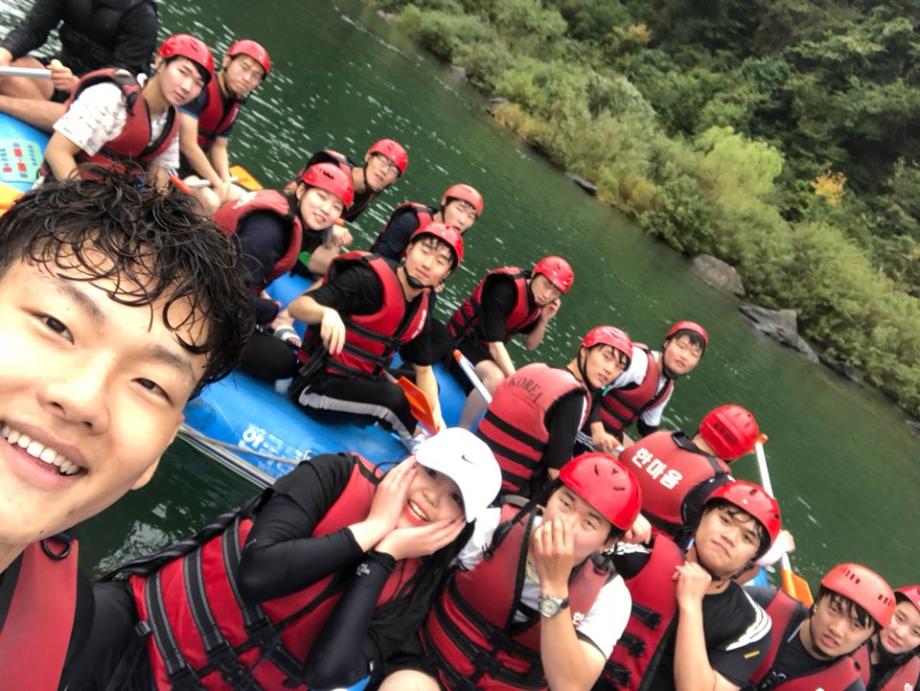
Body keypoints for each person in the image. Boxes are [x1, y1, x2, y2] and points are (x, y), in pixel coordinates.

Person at [0, 172, 251, 689]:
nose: (84, 400)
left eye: (150, 384)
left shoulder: (67, 629)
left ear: (158, 453)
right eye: (55, 324)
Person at [66, 427, 503, 690]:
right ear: (411, 463)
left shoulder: (417, 589)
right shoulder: (334, 474)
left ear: (462, 522)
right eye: (431, 474)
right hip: (142, 628)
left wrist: (383, 556)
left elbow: (325, 673)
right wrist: (371, 530)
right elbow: (258, 574)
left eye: (454, 498)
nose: (431, 496)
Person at [378, 451, 643, 691]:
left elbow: (570, 686)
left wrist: (554, 587)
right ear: (550, 497)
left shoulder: (610, 598)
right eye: (565, 503)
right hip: (430, 667)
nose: (565, 524)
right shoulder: (493, 527)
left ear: (608, 542)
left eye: (589, 522)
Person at [287, 223, 464, 441]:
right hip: (313, 389)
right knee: (394, 398)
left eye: (439, 262)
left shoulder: (421, 306)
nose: (427, 264)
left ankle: (424, 435)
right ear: (409, 249)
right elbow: (297, 307)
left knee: (427, 387)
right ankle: (419, 444)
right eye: (424, 251)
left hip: (362, 380)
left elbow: (424, 371)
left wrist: (437, 421)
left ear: (445, 275)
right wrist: (326, 313)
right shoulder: (366, 279)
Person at [601, 479, 781, 691]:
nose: (730, 537)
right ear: (703, 517)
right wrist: (612, 527)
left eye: (747, 538)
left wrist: (692, 606)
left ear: (752, 559)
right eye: (725, 520)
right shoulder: (639, 554)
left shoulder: (750, 625)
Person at [212, 160, 354, 381]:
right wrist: (268, 312)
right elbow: (225, 293)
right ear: (301, 191)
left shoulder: (285, 214)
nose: (326, 210)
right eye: (321, 197)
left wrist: (259, 298)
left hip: (212, 285)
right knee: (283, 360)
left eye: (336, 207)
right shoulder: (271, 229)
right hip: (203, 301)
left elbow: (238, 271)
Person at [476, 325, 633, 497]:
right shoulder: (574, 397)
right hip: (501, 491)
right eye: (606, 357)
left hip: (474, 461)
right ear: (584, 351)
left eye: (619, 366)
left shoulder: (535, 367)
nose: (610, 370)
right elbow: (556, 473)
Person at [42, 33, 213, 190]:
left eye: (198, 83)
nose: (187, 87)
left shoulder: (170, 123)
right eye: (183, 72)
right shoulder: (110, 96)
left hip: (111, 199)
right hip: (65, 193)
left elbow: (159, 181)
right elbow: (57, 151)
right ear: (160, 62)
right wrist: (81, 204)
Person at [448, 256, 575, 429]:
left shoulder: (536, 302)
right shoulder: (505, 288)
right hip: (459, 341)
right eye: (546, 285)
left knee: (503, 379)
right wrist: (518, 384)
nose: (547, 295)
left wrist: (544, 319)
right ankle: (463, 428)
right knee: (496, 377)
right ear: (535, 274)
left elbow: (530, 344)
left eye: (555, 292)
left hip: (483, 353)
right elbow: (495, 346)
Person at [0, 0, 158, 131]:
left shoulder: (142, 15)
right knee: (8, 68)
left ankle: (54, 123)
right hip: (59, 75)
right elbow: (33, 28)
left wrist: (78, 83)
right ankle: (46, 120)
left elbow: (123, 73)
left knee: (73, 111)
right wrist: (4, 53)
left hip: (100, 96)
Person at [619, 404, 759, 548]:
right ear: (737, 454)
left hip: (612, 518)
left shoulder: (660, 436)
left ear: (704, 423)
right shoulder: (719, 483)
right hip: (644, 547)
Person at [744, 563, 897, 691]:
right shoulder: (761, 604)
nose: (837, 629)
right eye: (834, 610)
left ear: (867, 639)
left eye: (856, 625)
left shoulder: (849, 688)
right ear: (817, 602)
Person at [584, 320, 708, 454]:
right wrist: (597, 429)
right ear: (666, 343)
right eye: (681, 346)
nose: (685, 356)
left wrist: (668, 453)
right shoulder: (638, 362)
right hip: (584, 425)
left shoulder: (667, 388)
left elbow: (647, 428)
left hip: (607, 438)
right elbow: (589, 387)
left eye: (694, 354)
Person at [178, 39, 271, 214]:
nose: (247, 78)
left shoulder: (234, 102)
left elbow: (219, 146)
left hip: (195, 168)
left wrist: (225, 180)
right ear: (227, 60)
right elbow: (187, 144)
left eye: (256, 75)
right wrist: (216, 181)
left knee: (246, 201)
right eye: (244, 67)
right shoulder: (202, 89)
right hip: (174, 162)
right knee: (210, 202)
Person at [369, 182, 483, 262]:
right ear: (444, 202)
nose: (462, 220)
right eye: (460, 209)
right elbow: (379, 257)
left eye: (471, 217)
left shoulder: (452, 246)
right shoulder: (410, 221)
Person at [867, 585, 920, 690]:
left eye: (916, 632)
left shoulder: (917, 681)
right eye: (899, 618)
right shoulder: (843, 641)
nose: (900, 634)